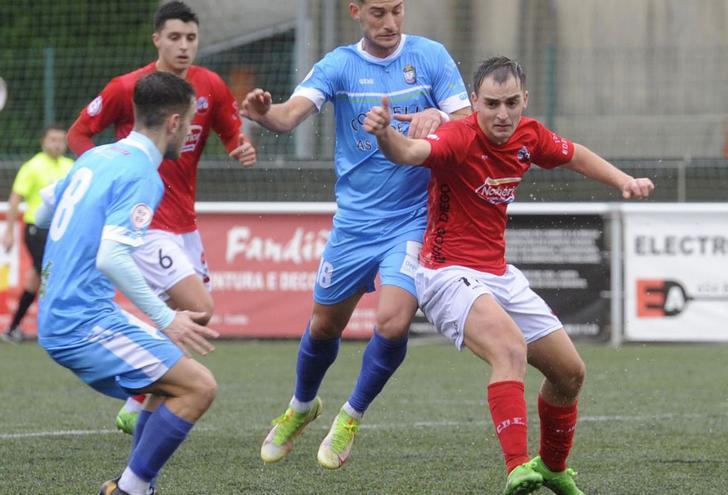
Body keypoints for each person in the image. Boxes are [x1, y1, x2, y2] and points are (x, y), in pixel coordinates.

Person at [363, 56, 655, 495]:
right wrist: (386, 134)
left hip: (498, 274)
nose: (502, 114)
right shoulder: (457, 137)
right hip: (446, 273)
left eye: (512, 103)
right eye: (493, 104)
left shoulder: (528, 135)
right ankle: (518, 467)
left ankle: (553, 467)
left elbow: (574, 155)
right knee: (510, 350)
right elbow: (410, 152)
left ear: (525, 101)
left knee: (569, 373)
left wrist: (623, 180)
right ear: (474, 102)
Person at [241, 0, 471, 469]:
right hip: (355, 223)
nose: (389, 23)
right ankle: (302, 406)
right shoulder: (340, 65)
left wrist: (441, 119)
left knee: (393, 322)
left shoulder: (430, 57)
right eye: (378, 13)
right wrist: (263, 114)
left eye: (397, 11)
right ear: (356, 12)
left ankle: (350, 416)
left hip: (411, 217)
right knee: (325, 325)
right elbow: (288, 118)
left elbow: (472, 122)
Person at [67, 0, 256, 434]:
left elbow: (230, 131)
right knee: (195, 309)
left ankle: (139, 398)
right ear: (157, 40)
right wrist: (103, 172)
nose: (184, 46)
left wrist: (239, 149)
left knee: (195, 318)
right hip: (145, 223)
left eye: (191, 38)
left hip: (184, 223)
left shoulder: (210, 85)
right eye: (174, 37)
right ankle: (144, 398)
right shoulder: (127, 88)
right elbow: (80, 132)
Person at [38, 71, 218, 495]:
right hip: (83, 322)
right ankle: (130, 490)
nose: (192, 131)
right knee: (199, 387)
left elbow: (46, 208)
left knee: (169, 382)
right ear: (173, 122)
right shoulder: (142, 174)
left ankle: (137, 486)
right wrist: (165, 319)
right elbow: (112, 256)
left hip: (64, 313)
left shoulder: (96, 157)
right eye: (191, 121)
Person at [1, 125, 73, 343]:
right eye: (52, 139)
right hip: (36, 230)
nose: (57, 144)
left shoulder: (71, 166)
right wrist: (10, 232)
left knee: (35, 277)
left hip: (60, 230)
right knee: (53, 274)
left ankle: (12, 328)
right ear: (43, 141)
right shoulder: (33, 166)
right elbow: (16, 199)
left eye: (61, 140)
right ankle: (57, 329)